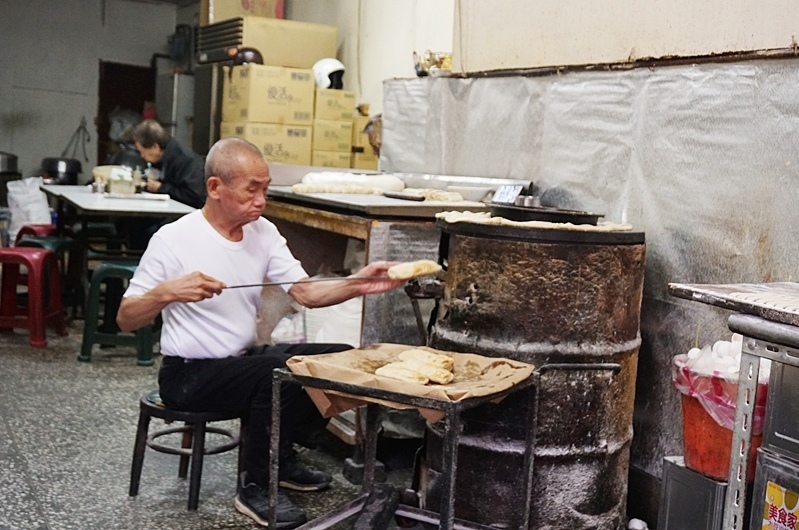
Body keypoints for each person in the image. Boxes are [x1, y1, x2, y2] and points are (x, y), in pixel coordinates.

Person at [116, 137, 405, 528]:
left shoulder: (263, 232)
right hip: (188, 374)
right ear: (215, 188)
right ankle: (255, 487)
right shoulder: (173, 239)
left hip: (239, 360)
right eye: (252, 189)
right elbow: (125, 318)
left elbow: (305, 292)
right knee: (280, 376)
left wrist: (359, 283)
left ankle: (281, 456)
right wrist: (167, 291)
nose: (261, 200)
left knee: (336, 357)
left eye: (265, 189)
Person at [120, 120, 207, 250]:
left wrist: (160, 188)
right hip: (167, 211)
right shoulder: (164, 156)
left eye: (143, 152)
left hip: (185, 216)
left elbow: (194, 196)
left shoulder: (186, 160)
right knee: (124, 222)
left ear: (155, 147)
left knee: (144, 230)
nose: (142, 157)